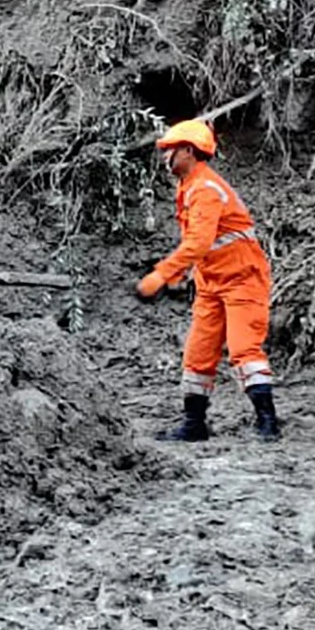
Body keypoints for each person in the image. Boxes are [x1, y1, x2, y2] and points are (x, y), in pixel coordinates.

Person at [135, 119, 279, 442]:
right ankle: (194, 424)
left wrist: (161, 275)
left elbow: (198, 243)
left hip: (243, 278)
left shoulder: (205, 189)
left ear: (187, 151)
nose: (164, 157)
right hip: (211, 282)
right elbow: (202, 246)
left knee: (244, 350)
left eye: (169, 150)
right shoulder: (190, 187)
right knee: (198, 353)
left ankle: (268, 422)